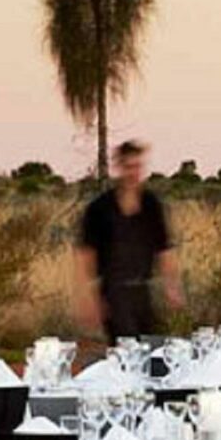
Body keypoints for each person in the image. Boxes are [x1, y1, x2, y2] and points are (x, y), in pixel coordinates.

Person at [74, 140, 182, 342]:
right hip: (113, 292)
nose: (133, 173)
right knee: (128, 348)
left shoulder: (151, 205)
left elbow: (164, 249)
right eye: (128, 167)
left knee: (153, 347)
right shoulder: (100, 208)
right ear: (119, 168)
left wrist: (172, 286)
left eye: (138, 167)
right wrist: (87, 299)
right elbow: (85, 256)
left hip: (143, 291)